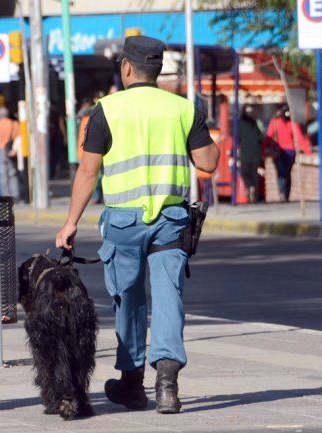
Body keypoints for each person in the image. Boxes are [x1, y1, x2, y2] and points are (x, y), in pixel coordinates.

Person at [56, 35, 219, 414]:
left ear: (126, 68)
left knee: (127, 297)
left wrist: (70, 224)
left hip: (124, 222)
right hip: (170, 220)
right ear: (158, 70)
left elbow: (88, 172)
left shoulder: (105, 110)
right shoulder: (182, 109)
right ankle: (167, 385)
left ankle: (131, 383)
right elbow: (208, 162)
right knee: (168, 297)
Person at [263, 104, 312, 202]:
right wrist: (308, 152)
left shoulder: (276, 122)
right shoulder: (289, 123)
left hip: (284, 152)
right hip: (286, 152)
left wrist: (263, 151)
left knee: (282, 173)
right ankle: (285, 194)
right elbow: (300, 138)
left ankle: (283, 194)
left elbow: (268, 138)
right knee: (286, 173)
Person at [238, 105, 264, 203]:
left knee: (245, 173)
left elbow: (236, 138)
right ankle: (253, 190)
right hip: (256, 153)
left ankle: (249, 187)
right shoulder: (255, 123)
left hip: (245, 154)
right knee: (254, 174)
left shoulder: (240, 124)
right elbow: (262, 137)